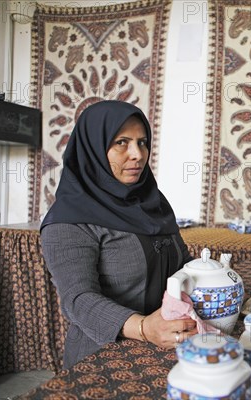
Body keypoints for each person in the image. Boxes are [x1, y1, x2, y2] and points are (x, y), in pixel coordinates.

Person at [40, 100, 197, 369]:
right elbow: (78, 300)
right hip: (103, 358)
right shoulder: (68, 220)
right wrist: (145, 328)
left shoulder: (153, 205)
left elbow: (183, 266)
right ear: (93, 149)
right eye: (121, 142)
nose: (137, 154)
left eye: (143, 142)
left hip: (167, 350)